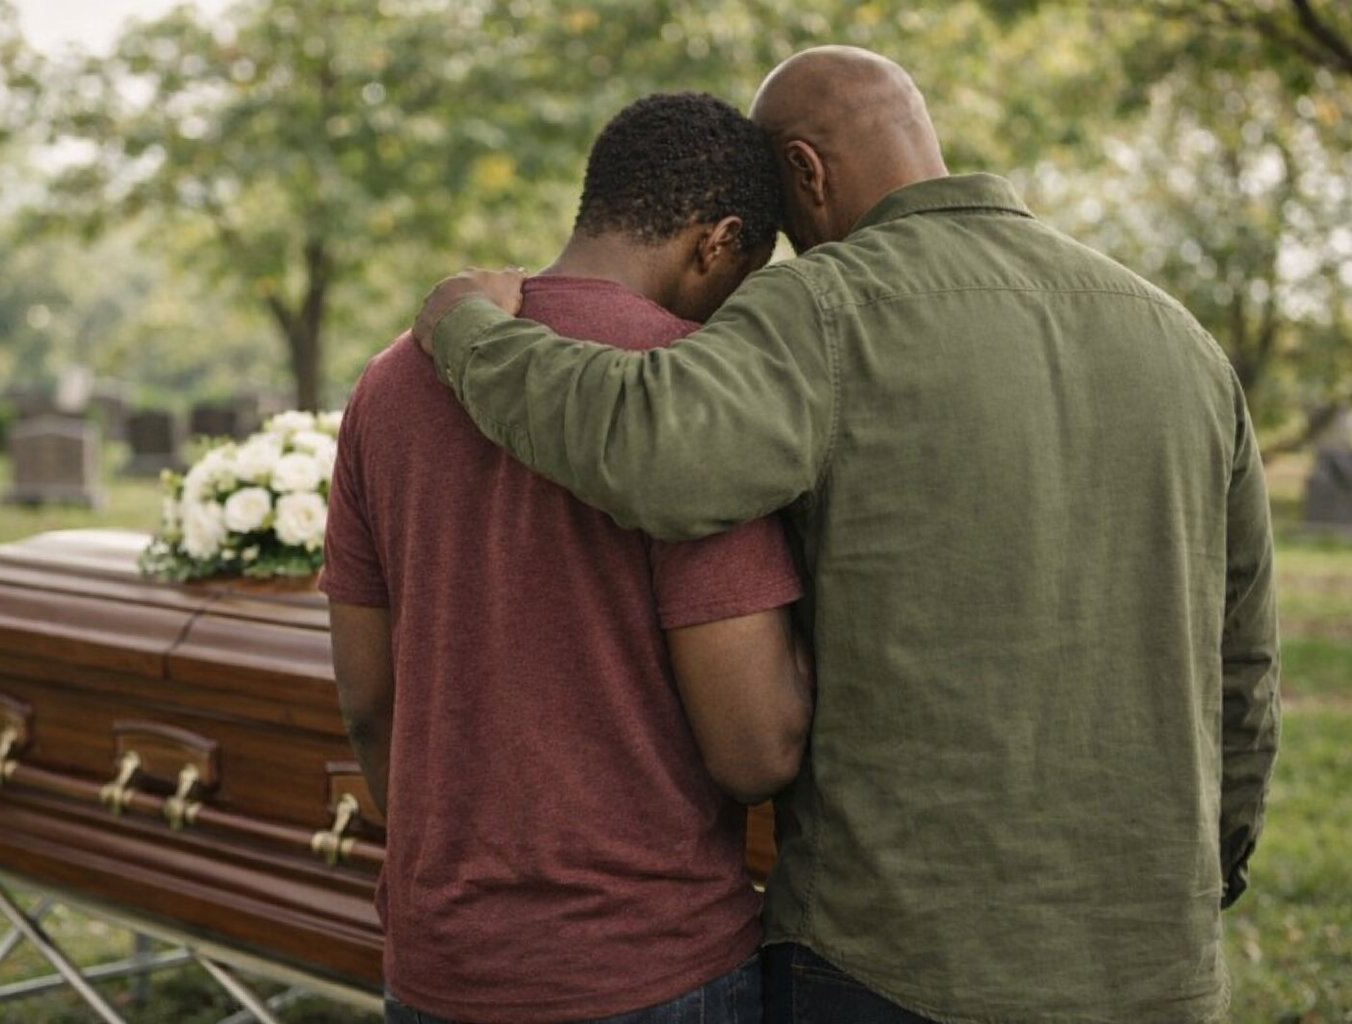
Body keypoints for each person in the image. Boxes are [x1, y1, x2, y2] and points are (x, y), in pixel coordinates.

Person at [411, 45, 1281, 1024]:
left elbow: (651, 448)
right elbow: (1243, 673)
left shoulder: (828, 308)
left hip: (894, 960)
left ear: (806, 173)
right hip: (1156, 964)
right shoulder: (1183, 343)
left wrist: (468, 331)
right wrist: (1203, 877)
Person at [320, 91, 812, 1024]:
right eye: (748, 272)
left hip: (439, 963)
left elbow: (366, 699)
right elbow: (754, 747)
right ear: (720, 241)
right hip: (649, 966)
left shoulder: (391, 382)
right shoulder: (690, 390)